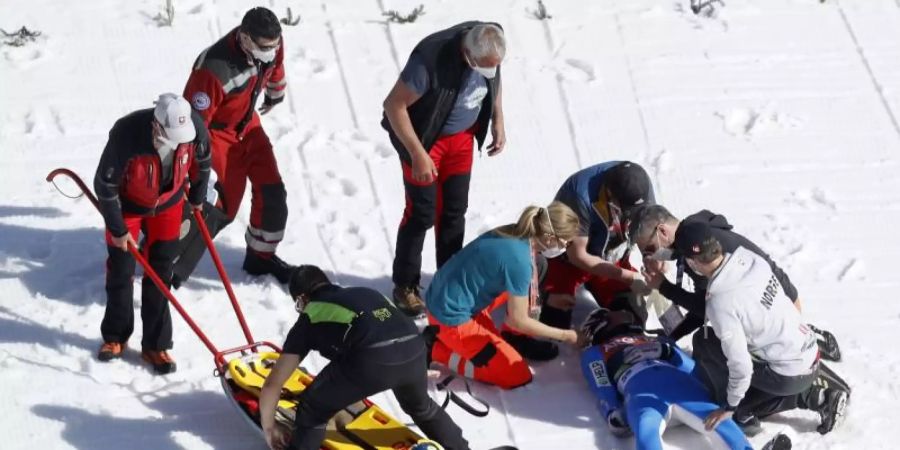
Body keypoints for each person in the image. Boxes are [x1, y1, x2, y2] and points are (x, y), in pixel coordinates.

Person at [259, 265, 469, 450]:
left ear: (302, 298)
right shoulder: (366, 293)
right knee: (422, 408)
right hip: (414, 348)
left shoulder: (311, 313)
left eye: (299, 305)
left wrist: (269, 428)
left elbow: (273, 384)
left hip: (373, 359)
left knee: (313, 407)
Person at [671, 221, 848, 436]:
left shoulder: (721, 302)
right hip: (808, 348)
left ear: (692, 262)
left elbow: (741, 365)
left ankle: (812, 399)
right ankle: (807, 392)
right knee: (713, 340)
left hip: (790, 375)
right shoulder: (748, 258)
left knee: (706, 343)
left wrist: (730, 406)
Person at [382, 21, 507, 316]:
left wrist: (498, 119)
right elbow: (393, 106)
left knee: (454, 211)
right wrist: (418, 154)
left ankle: (449, 278)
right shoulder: (431, 59)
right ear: (467, 53)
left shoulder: (490, 43)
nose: (489, 72)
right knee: (421, 213)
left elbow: (495, 80)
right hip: (427, 140)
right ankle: (405, 285)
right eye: (483, 67)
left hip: (462, 140)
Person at [173, 6, 295, 287]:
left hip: (248, 125)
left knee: (272, 191)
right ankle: (166, 256)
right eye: (265, 48)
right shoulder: (212, 69)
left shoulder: (272, 45)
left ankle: (260, 257)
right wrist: (199, 166)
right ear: (245, 39)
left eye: (275, 46)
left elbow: (276, 66)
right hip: (216, 134)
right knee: (220, 206)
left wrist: (275, 93)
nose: (271, 52)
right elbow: (192, 125)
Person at [628, 204, 841, 361]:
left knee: (713, 349)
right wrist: (671, 336)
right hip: (777, 300)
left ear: (662, 232)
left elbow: (707, 310)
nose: (651, 257)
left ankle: (808, 350)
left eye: (649, 249)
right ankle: (802, 334)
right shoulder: (694, 232)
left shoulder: (697, 252)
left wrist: (664, 287)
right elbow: (706, 304)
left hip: (778, 305)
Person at [93, 93, 210, 374]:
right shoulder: (127, 133)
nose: (181, 141)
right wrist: (119, 229)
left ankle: (155, 345)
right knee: (121, 271)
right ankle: (115, 336)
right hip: (128, 206)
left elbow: (203, 163)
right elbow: (104, 185)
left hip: (169, 204)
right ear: (157, 126)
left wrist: (197, 196)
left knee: (160, 273)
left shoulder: (193, 128)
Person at [423, 202, 580, 389]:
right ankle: (435, 350)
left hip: (446, 295)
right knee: (516, 375)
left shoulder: (515, 233)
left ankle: (515, 339)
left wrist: (545, 298)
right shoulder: (520, 261)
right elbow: (518, 320)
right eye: (565, 243)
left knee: (538, 265)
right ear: (549, 237)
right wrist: (567, 335)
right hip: (449, 318)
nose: (566, 248)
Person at [525, 161, 656, 360]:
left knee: (633, 315)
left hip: (612, 257)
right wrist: (626, 276)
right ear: (610, 195)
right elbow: (577, 255)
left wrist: (651, 258)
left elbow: (647, 229)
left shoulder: (642, 188)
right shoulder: (579, 195)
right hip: (570, 261)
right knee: (555, 323)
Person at [579, 307, 755, 450]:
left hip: (681, 385)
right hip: (641, 391)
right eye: (614, 312)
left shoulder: (658, 338)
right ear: (602, 323)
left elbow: (693, 369)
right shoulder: (596, 351)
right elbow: (600, 383)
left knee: (722, 423)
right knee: (646, 433)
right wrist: (612, 409)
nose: (627, 313)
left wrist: (667, 351)